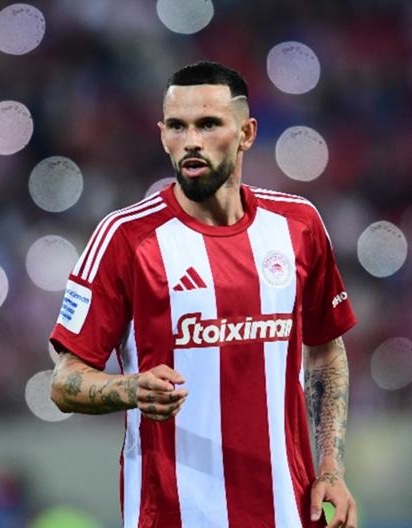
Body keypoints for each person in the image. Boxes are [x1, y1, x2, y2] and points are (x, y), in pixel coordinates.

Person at [49, 60, 358, 528]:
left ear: (246, 133)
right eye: (177, 126)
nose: (191, 140)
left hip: (287, 512)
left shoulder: (298, 226)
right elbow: (64, 382)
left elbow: (325, 351)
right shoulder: (125, 238)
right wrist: (129, 389)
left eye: (208, 124)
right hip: (174, 516)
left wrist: (331, 467)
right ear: (162, 136)